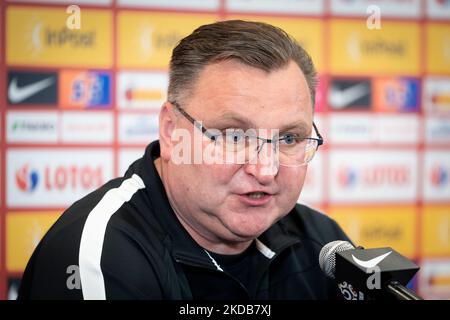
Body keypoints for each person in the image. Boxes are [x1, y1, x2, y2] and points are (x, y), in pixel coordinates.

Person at [18, 20, 351, 300]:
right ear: (170, 129)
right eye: (234, 136)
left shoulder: (324, 244)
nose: (265, 170)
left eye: (289, 138)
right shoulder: (100, 258)